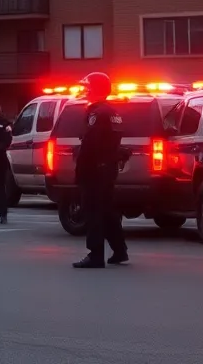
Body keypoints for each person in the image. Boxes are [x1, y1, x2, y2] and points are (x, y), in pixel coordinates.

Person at [73, 71, 129, 268]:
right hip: (107, 169)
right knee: (107, 210)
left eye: (87, 87)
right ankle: (119, 250)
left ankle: (95, 254)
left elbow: (91, 144)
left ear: (96, 89)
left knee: (93, 212)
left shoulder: (97, 113)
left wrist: (80, 166)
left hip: (95, 171)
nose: (85, 91)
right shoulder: (112, 112)